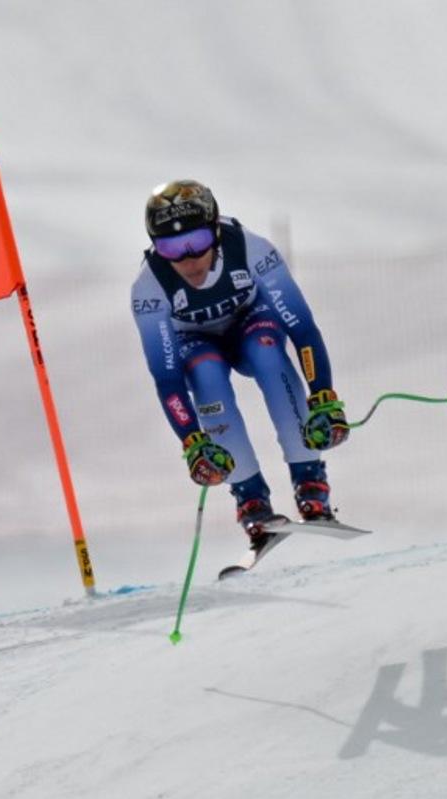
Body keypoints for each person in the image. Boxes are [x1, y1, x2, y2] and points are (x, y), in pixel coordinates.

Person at [130, 179, 350, 552]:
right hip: (196, 343)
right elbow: (168, 380)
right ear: (155, 245)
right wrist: (193, 442)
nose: (188, 259)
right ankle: (251, 501)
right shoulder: (148, 287)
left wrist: (323, 396)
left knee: (267, 352)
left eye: (197, 242)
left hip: (251, 322)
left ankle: (311, 484)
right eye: (170, 247)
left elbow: (302, 329)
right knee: (204, 371)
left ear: (216, 229)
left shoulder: (250, 247)